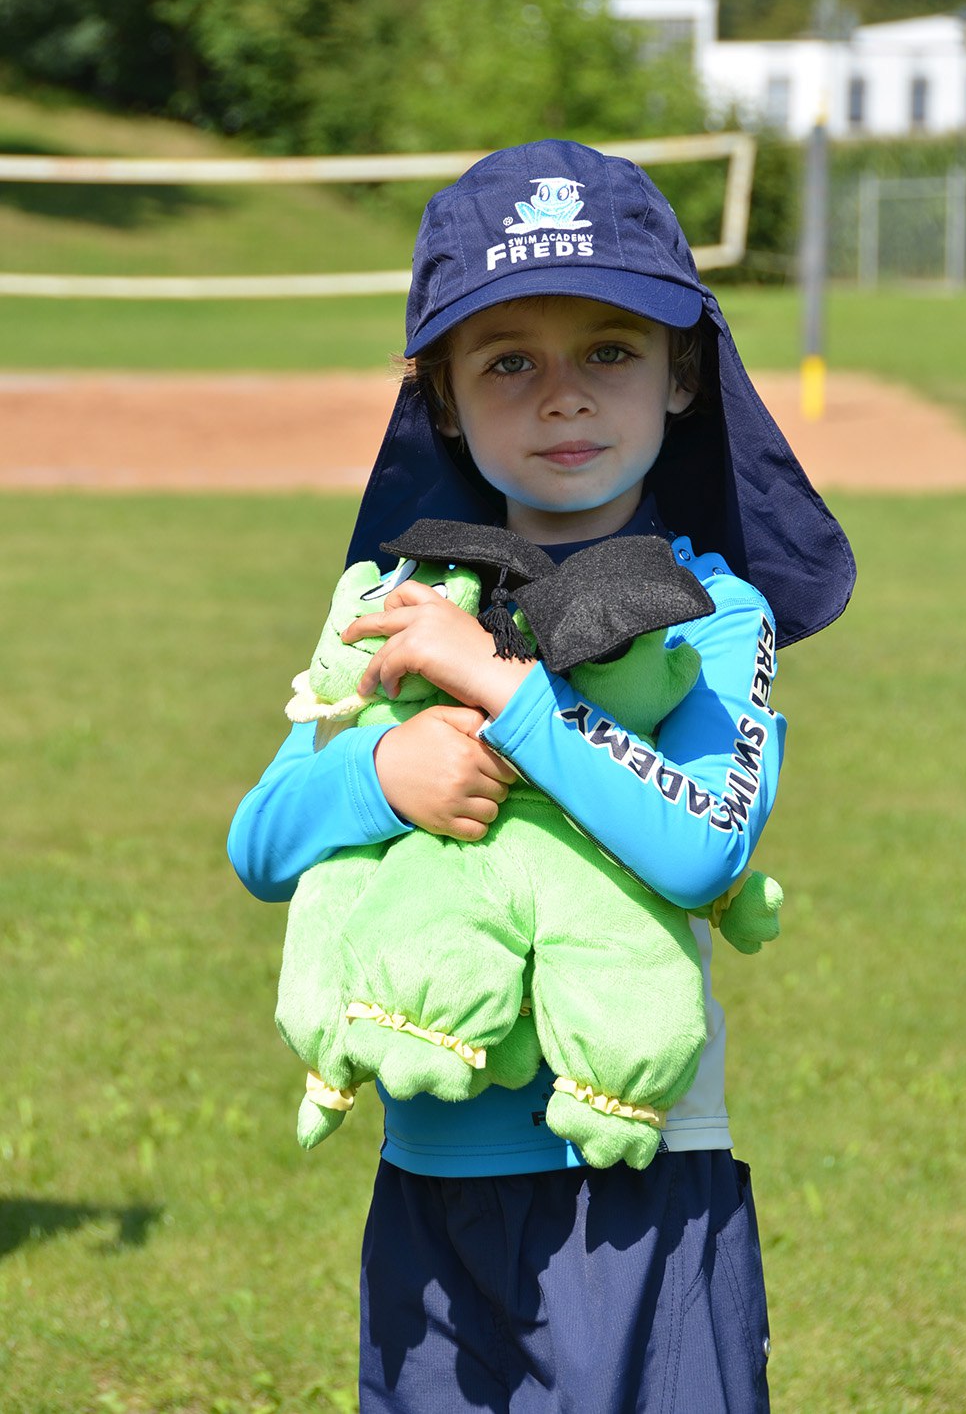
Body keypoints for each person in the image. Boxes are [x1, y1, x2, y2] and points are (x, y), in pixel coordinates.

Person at [228, 139, 855, 1413]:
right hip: (432, 1190)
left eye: (608, 352)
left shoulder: (713, 614)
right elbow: (261, 841)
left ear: (681, 375)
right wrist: (383, 769)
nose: (563, 398)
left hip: (637, 1179)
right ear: (444, 401)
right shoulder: (393, 600)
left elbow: (703, 845)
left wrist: (509, 694)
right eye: (508, 361)